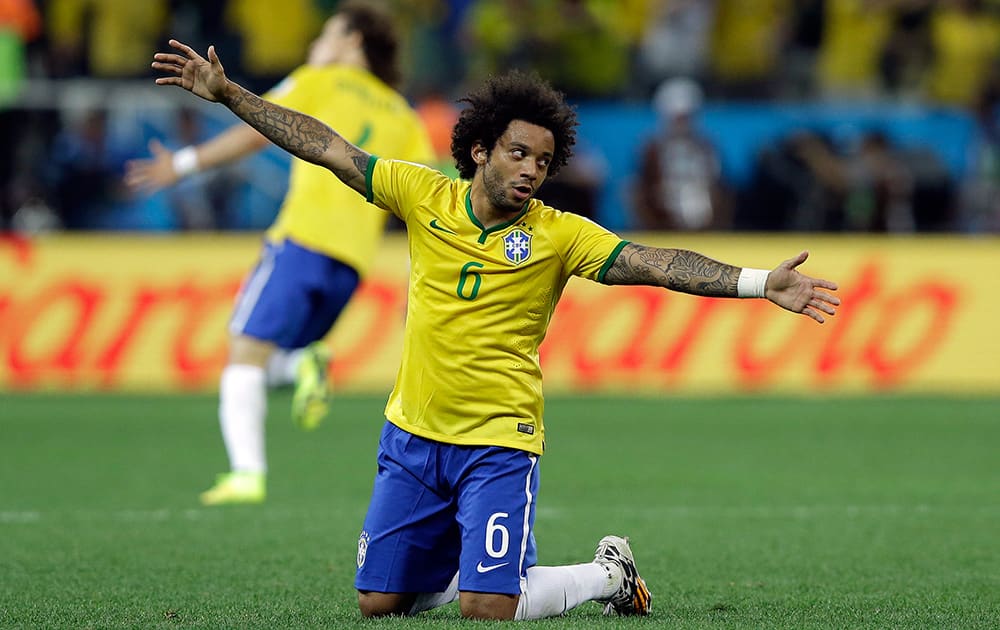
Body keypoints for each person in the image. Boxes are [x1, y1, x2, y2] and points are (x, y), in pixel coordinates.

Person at [150, 38, 841, 620]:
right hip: (413, 434)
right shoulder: (423, 195)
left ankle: (609, 574)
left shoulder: (559, 234)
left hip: (497, 441)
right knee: (378, 603)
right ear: (480, 150)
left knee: (487, 608)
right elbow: (327, 147)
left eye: (543, 161)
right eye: (518, 153)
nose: (531, 171)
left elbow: (655, 263)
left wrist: (758, 283)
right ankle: (479, 559)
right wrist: (232, 95)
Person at [126, 3, 435, 506]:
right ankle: (299, 368)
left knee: (242, 358)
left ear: (352, 41)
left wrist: (184, 163)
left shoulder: (321, 79)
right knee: (264, 362)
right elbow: (424, 202)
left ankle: (247, 474)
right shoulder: (404, 115)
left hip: (302, 242)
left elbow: (258, 125)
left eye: (327, 32)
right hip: (353, 263)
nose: (316, 43)